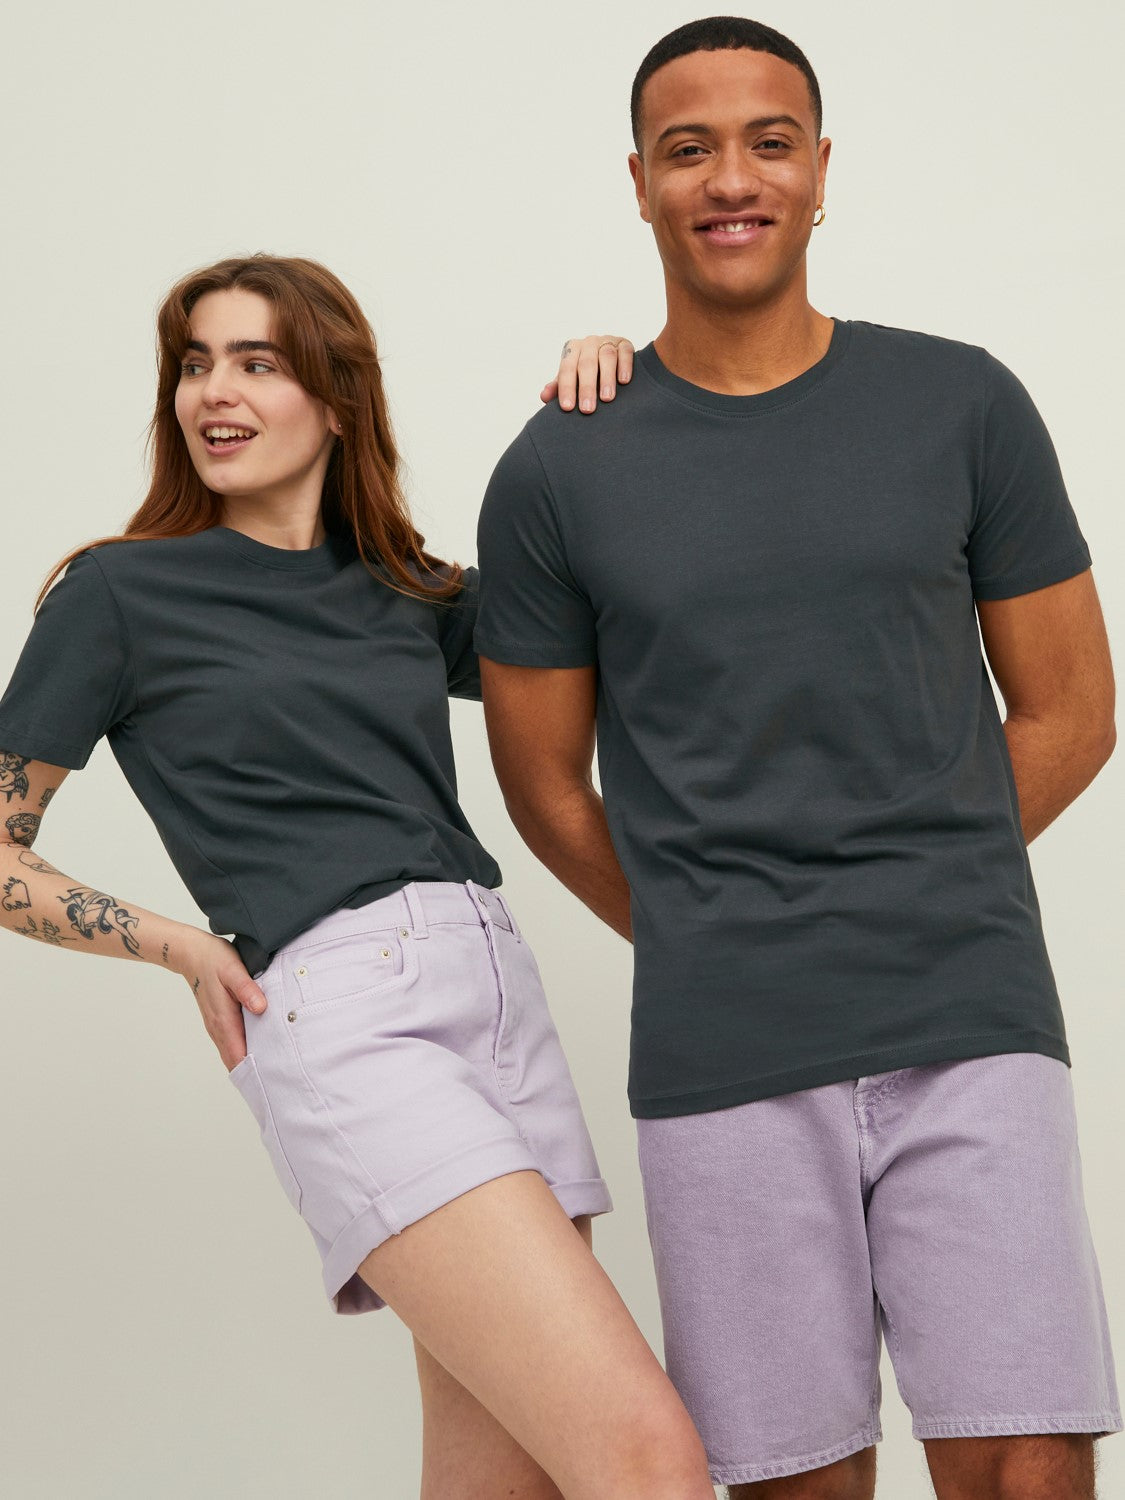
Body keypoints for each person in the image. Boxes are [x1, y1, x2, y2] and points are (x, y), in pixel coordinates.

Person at [475, 16, 1120, 1500]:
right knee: (791, 1481)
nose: (731, 179)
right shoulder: (559, 465)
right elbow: (543, 784)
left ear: (822, 170)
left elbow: (1074, 713)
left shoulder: (962, 403)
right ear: (638, 182)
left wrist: (917, 878)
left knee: (1027, 1462)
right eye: (688, 149)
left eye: (769, 143)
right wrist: (709, 926)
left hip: (968, 1011)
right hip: (724, 1049)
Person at [0, 254, 716, 1500]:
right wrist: (180, 946)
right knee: (644, 1456)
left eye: (256, 362)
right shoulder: (120, 593)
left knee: (514, 1480)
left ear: (338, 402)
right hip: (349, 1018)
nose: (213, 391)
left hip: (500, 997)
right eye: (194, 364)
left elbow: (629, 611)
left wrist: (620, 401)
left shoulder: (407, 590)